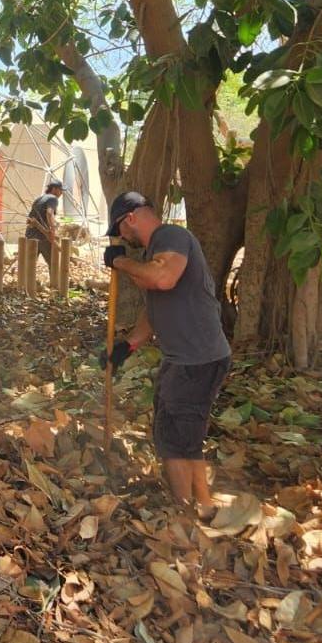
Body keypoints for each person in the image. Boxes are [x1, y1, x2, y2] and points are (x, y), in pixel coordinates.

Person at [102, 191, 232, 515]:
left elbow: (163, 279)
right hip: (184, 359)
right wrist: (128, 345)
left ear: (131, 217)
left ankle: (186, 511)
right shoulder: (156, 249)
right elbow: (156, 309)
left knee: (176, 441)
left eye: (119, 229)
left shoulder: (171, 236)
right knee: (178, 435)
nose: (120, 237)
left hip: (196, 360)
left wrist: (119, 261)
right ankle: (201, 505)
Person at [26, 178, 63, 265]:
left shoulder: (39, 199)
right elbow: (49, 213)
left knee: (30, 265)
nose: (61, 193)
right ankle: (54, 279)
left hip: (30, 235)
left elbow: (30, 219)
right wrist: (52, 230)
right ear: (54, 189)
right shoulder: (53, 198)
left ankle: (27, 279)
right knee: (54, 263)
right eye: (60, 190)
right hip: (43, 237)